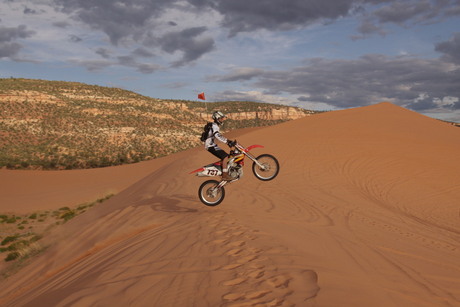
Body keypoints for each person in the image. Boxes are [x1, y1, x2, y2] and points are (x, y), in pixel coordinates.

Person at [204, 111, 236, 181]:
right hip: (210, 146)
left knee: (226, 156)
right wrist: (227, 141)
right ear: (217, 118)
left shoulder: (214, 125)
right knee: (225, 157)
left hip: (212, 145)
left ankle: (223, 169)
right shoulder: (214, 126)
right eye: (221, 118)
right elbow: (217, 135)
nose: (222, 120)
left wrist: (228, 142)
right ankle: (224, 175)